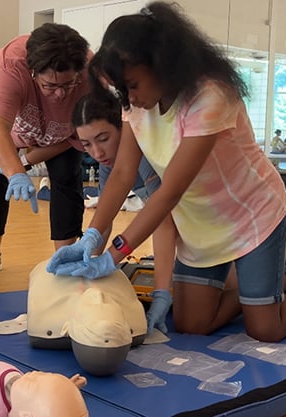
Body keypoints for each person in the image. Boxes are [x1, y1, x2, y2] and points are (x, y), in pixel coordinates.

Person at [48, 2, 286, 343]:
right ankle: (266, 285)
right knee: (192, 323)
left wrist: (115, 254)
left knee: (265, 329)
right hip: (201, 223)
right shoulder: (135, 102)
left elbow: (170, 191)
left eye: (133, 85)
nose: (130, 97)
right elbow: (122, 173)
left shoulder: (211, 96)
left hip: (250, 216)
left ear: (161, 65)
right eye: (123, 89)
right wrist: (91, 238)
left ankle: (276, 283)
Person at [0, 23, 91, 278]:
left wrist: (26, 160)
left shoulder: (91, 75)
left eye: (68, 84)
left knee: (68, 181)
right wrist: (15, 172)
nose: (60, 94)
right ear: (33, 72)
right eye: (50, 85)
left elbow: (74, 138)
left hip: (62, 130)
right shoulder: (10, 69)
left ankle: (65, 259)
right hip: (6, 124)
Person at [71, 91, 175, 334]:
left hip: (206, 225)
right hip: (179, 225)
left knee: (193, 315)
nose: (97, 153)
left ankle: (282, 274)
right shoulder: (108, 163)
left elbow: (163, 218)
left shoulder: (145, 154)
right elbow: (106, 216)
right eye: (87, 145)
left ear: (124, 127)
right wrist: (87, 256)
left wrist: (162, 289)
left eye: (103, 138)